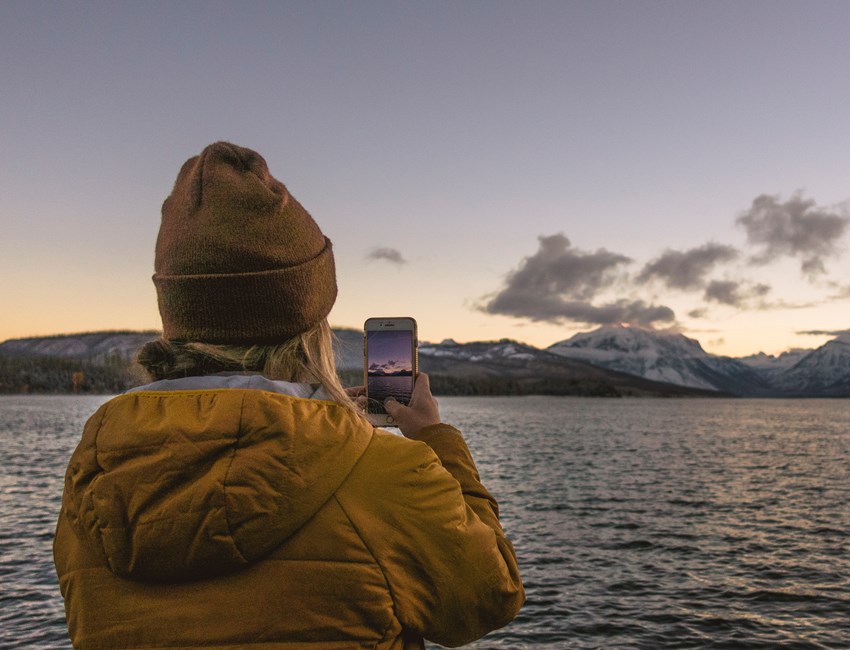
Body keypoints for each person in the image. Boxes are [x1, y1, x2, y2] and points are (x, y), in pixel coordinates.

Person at [53, 141, 524, 649]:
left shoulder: (95, 475)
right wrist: (434, 440)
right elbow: (489, 596)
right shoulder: (386, 476)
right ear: (308, 324)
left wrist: (332, 426)